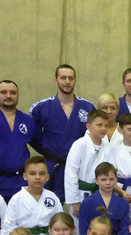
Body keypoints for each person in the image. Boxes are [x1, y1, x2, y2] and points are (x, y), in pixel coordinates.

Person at [29, 65, 96, 201]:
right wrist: (48, 151)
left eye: (71, 78)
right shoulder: (40, 107)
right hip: (53, 165)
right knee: (51, 206)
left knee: (79, 206)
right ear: (56, 80)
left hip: (81, 167)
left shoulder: (88, 107)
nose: (67, 82)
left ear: (75, 80)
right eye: (63, 78)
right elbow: (32, 136)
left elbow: (95, 136)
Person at [0, 156, 63, 235]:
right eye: (33, 174)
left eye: (42, 174)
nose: (37, 177)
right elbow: (9, 226)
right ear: (25, 176)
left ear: (47, 177)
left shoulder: (52, 198)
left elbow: (61, 222)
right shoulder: (17, 199)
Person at [64, 109, 111, 220]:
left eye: (106, 125)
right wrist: (75, 202)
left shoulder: (107, 148)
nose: (103, 129)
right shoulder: (79, 145)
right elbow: (71, 174)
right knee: (80, 226)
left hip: (100, 194)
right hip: (80, 194)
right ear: (89, 126)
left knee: (99, 224)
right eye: (99, 125)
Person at [78, 162, 131, 235]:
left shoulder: (122, 203)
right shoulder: (87, 202)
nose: (108, 183)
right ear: (96, 181)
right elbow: (83, 229)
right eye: (103, 180)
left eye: (111, 179)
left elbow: (125, 229)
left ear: (116, 180)